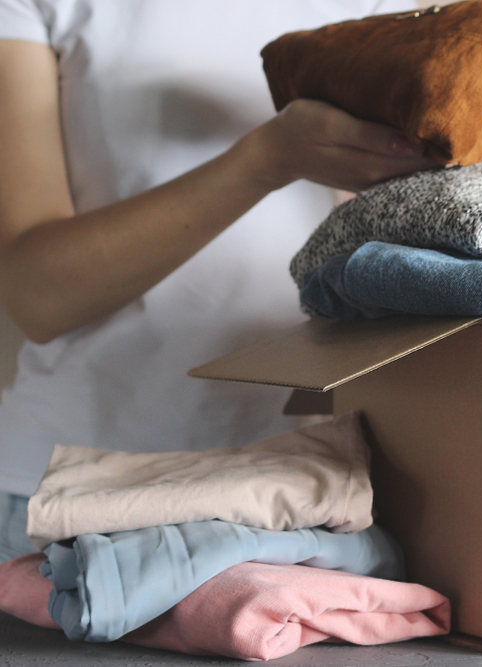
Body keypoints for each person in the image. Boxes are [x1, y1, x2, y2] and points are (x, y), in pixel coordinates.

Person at [0, 0, 446, 562]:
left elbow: (403, 251)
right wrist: (267, 159)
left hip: (315, 493)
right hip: (69, 496)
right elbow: (38, 297)